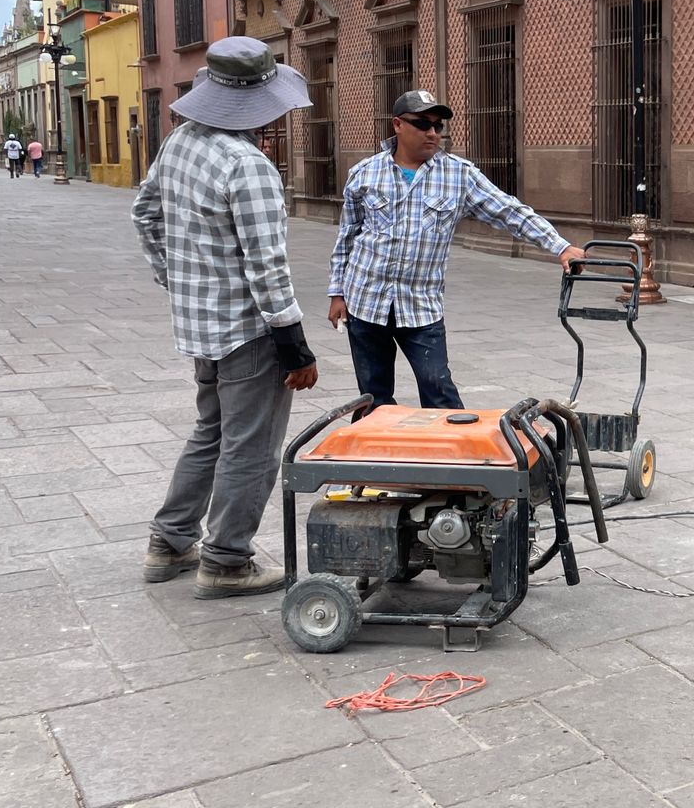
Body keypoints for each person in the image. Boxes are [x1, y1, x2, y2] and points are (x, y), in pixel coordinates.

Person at [131, 36, 319, 598]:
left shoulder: (181, 142)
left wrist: (178, 278)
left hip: (200, 327)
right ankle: (227, 560)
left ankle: (169, 542)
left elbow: (144, 212)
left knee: (211, 432)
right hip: (250, 331)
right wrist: (295, 344)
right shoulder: (249, 165)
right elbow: (267, 266)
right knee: (252, 446)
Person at [327, 88, 584, 410]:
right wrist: (337, 294)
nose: (432, 133)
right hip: (364, 300)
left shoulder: (459, 175)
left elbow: (509, 211)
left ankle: (452, 456)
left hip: (420, 306)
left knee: (439, 390)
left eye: (438, 126)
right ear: (397, 125)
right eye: (422, 124)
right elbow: (347, 237)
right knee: (372, 397)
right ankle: (375, 458)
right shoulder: (364, 173)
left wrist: (559, 246)